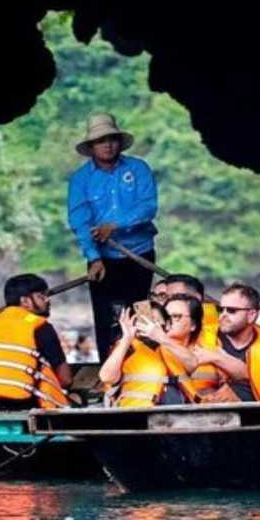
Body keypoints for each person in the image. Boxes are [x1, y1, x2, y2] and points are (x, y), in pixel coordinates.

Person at [67, 112, 159, 359]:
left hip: (139, 252)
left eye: (112, 139)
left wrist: (115, 225)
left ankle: (144, 363)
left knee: (140, 309)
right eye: (100, 140)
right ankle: (110, 369)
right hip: (103, 258)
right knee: (106, 315)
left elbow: (148, 207)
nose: (107, 144)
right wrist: (93, 256)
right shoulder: (81, 179)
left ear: (119, 142)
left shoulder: (138, 168)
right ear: (91, 147)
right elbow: (80, 220)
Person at [0, 274, 74, 410]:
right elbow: (65, 379)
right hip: (27, 405)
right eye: (41, 296)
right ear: (25, 301)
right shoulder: (40, 326)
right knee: (75, 399)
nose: (47, 300)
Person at [192, 284, 260, 402]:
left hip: (255, 412)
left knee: (244, 388)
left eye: (232, 310)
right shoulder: (202, 335)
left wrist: (217, 358)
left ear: (251, 316)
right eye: (221, 309)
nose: (223, 315)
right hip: (200, 407)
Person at [99, 296, 204, 406]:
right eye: (143, 322)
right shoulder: (127, 348)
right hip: (138, 415)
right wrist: (127, 338)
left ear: (167, 325)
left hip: (174, 416)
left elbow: (192, 364)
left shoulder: (171, 348)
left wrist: (161, 337)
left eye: (155, 322)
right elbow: (106, 377)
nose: (149, 327)